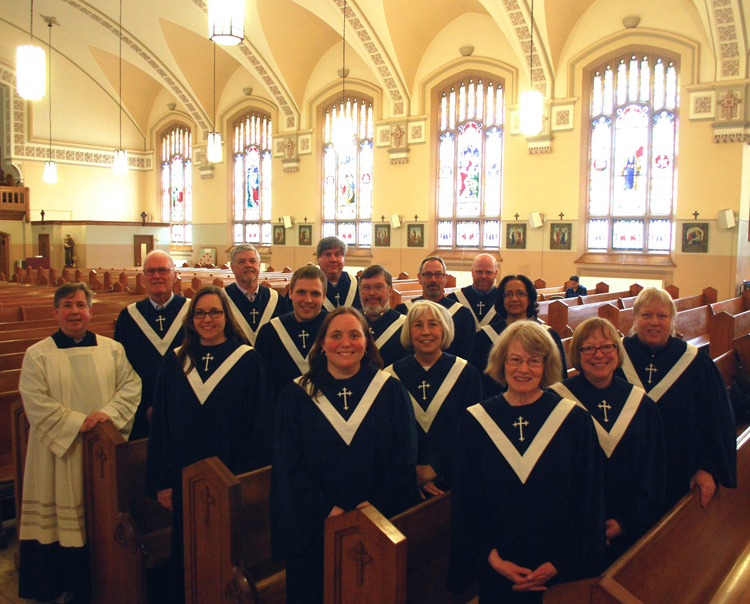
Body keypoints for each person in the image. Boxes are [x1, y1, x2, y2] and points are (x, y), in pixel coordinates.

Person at [449, 321, 605, 603]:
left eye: (534, 361)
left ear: (546, 366)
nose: (524, 369)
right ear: (501, 363)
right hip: (497, 568)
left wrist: (558, 563)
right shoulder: (475, 422)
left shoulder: (573, 420)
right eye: (515, 360)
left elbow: (588, 496)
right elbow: (467, 498)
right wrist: (493, 560)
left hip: (560, 571)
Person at [271, 306, 417, 604]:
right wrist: (326, 510)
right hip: (315, 527)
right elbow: (288, 465)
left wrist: (374, 506)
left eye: (354, 335)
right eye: (335, 336)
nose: (345, 343)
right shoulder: (297, 395)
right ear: (322, 344)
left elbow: (404, 458)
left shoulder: (389, 391)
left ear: (367, 342)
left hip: (377, 521)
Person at [146, 286, 273, 604]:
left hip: (230, 480)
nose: (207, 319)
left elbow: (260, 427)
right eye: (200, 312)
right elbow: (161, 425)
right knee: (187, 551)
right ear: (191, 318)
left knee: (227, 554)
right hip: (182, 478)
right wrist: (163, 482)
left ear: (226, 316)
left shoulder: (247, 361)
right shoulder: (175, 361)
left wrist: (243, 480)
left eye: (215, 312)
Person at [18, 283, 142, 604]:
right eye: (67, 305)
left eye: (81, 305)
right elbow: (34, 400)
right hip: (57, 452)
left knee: (99, 514)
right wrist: (77, 423)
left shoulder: (112, 349)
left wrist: (105, 416)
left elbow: (131, 386)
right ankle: (60, 585)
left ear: (91, 311)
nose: (75, 311)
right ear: (56, 312)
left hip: (100, 449)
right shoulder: (38, 354)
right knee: (61, 517)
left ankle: (99, 584)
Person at [549, 317, 665, 564]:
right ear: (577, 354)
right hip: (570, 536)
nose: (598, 355)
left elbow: (652, 471)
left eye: (606, 346)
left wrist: (626, 523)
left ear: (617, 350)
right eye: (588, 348)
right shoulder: (556, 403)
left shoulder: (642, 405)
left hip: (629, 532)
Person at [616, 287, 737, 512]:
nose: (654, 322)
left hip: (679, 472)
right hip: (624, 474)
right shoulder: (615, 358)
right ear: (635, 318)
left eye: (662, 316)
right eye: (646, 315)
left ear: (672, 320)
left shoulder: (694, 362)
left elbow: (714, 419)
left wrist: (707, 467)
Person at [386, 301, 483, 499]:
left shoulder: (466, 374)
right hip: (406, 483)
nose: (425, 332)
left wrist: (437, 467)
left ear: (445, 329)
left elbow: (471, 432)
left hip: (454, 481)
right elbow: (389, 437)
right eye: (418, 325)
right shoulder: (391, 378)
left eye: (433, 324)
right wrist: (413, 474)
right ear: (409, 332)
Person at [114, 250, 188, 440]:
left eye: (163, 270)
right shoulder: (129, 317)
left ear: (174, 275)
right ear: (143, 278)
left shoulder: (193, 312)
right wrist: (144, 406)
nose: (156, 276)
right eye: (150, 271)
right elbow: (122, 369)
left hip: (189, 406)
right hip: (142, 410)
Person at [472, 274, 567, 397]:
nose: (514, 299)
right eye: (508, 294)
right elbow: (478, 381)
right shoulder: (484, 337)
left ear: (530, 299)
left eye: (520, 293)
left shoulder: (548, 336)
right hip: (494, 407)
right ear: (502, 299)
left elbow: (558, 379)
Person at [255, 265, 328, 395]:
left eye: (315, 293)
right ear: (290, 293)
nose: (308, 300)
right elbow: (261, 384)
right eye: (301, 292)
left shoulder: (335, 330)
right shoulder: (270, 332)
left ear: (324, 297)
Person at [394, 256, 475, 360]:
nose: (433, 279)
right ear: (419, 278)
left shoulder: (463, 315)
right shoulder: (403, 311)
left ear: (445, 278)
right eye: (427, 274)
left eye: (438, 274)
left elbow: (466, 356)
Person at [224, 243, 287, 345]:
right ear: (232, 267)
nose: (248, 265)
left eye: (252, 261)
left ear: (259, 265)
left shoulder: (276, 300)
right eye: (241, 262)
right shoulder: (222, 300)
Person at [359, 264, 409, 367]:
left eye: (378, 287)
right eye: (366, 287)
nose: (372, 293)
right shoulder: (351, 322)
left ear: (390, 291)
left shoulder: (404, 326)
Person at [448, 253, 499, 331]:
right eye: (479, 272)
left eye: (488, 272)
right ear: (472, 272)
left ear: (495, 273)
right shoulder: (454, 299)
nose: (483, 276)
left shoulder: (504, 299)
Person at [316, 236, 361, 310]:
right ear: (318, 259)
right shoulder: (308, 286)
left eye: (338, 254)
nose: (333, 259)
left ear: (344, 259)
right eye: (327, 254)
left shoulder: (356, 285)